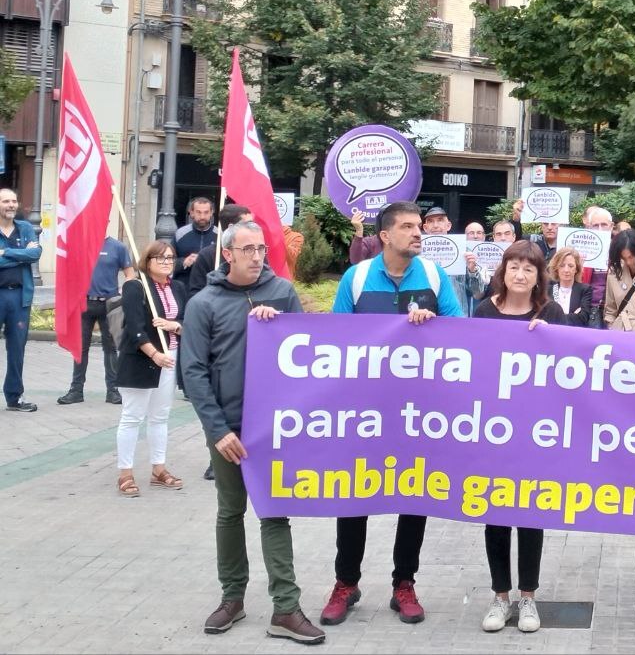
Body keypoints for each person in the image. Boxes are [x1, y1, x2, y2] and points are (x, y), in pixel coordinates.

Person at [180, 221, 323, 644]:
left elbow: (308, 351)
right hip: (228, 428)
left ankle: (286, 608)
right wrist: (218, 430)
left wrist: (277, 326)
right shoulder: (203, 303)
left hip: (273, 428)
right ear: (228, 254)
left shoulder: (281, 292)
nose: (257, 256)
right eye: (248, 249)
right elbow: (193, 372)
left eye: (261, 248)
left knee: (274, 513)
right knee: (230, 512)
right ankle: (232, 598)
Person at [321, 201, 461, 628]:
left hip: (419, 411)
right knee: (354, 494)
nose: (418, 233)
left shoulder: (434, 276)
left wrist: (433, 324)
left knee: (413, 495)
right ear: (384, 235)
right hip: (365, 411)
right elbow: (336, 340)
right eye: (408, 227)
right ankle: (346, 582)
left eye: (419, 226)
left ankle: (405, 583)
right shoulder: (357, 277)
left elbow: (462, 335)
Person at [473, 241, 565, 634]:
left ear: (539, 275)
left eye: (529, 268)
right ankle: (500, 596)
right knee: (495, 515)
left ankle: (528, 596)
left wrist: (551, 339)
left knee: (529, 515)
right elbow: (470, 361)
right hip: (493, 430)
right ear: (503, 270)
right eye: (514, 266)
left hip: (535, 432)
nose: (521, 274)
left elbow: (573, 367)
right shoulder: (484, 311)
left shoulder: (552, 312)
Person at [114, 240, 187, 497]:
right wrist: (154, 354)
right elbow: (134, 327)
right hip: (141, 359)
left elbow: (187, 319)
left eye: (170, 257)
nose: (167, 262)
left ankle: (158, 469)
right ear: (148, 261)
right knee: (132, 417)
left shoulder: (178, 287)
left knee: (160, 416)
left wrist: (175, 325)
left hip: (170, 357)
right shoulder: (135, 286)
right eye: (160, 258)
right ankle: (125, 473)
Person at [59, 235, 135, 405]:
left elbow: (130, 274)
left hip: (109, 304)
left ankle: (113, 391)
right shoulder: (80, 245)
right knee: (80, 348)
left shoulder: (118, 247)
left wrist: (122, 294)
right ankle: (76, 390)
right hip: (84, 303)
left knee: (111, 349)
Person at [0, 187, 41, 413]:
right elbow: (27, 255)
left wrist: (5, 253)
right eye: (6, 201)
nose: (11, 205)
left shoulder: (25, 228)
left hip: (18, 297)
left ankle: (14, 397)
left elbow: (35, 254)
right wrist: (22, 255)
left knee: (17, 349)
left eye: (14, 201)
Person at [420, 205, 487, 314]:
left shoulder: (463, 251)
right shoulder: (416, 253)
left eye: (440, 220)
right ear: (425, 228)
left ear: (448, 225)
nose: (435, 225)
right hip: (425, 314)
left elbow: (477, 293)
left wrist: (472, 270)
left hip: (455, 315)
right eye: (431, 221)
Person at [188, 205, 253, 296]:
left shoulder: (256, 252)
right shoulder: (207, 255)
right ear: (231, 227)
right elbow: (196, 292)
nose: (253, 228)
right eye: (248, 224)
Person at [174, 196, 217, 285]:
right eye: (198, 212)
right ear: (192, 213)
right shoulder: (180, 234)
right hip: (185, 287)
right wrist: (184, 262)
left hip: (210, 286)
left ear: (211, 213)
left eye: (206, 212)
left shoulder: (220, 235)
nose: (202, 216)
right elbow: (169, 261)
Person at [580, 205, 615, 308]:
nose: (600, 229)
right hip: (586, 306)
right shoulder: (581, 250)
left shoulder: (620, 249)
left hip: (613, 307)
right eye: (595, 225)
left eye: (604, 225)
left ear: (611, 226)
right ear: (589, 227)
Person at [549, 247, 594, 327]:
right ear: (556, 268)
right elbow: (545, 317)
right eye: (562, 265)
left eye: (570, 266)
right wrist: (573, 316)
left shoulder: (585, 290)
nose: (566, 270)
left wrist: (557, 317)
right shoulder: (548, 289)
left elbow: (583, 319)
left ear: (576, 269)